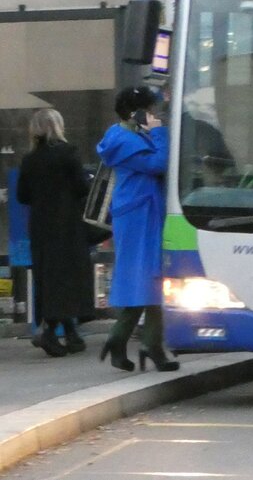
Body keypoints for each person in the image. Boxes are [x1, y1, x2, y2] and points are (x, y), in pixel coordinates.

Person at [95, 85, 178, 372]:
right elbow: (158, 163)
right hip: (139, 214)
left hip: (141, 212)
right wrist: (159, 132)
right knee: (150, 277)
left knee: (152, 277)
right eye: (152, 108)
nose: (156, 114)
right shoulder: (126, 141)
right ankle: (145, 344)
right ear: (137, 112)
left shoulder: (125, 136)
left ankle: (129, 341)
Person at [16, 108, 94, 358]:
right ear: (58, 126)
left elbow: (22, 195)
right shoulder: (68, 153)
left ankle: (70, 333)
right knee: (69, 276)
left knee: (48, 278)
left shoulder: (30, 159)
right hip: (67, 225)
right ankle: (51, 332)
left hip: (41, 227)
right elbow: (82, 187)